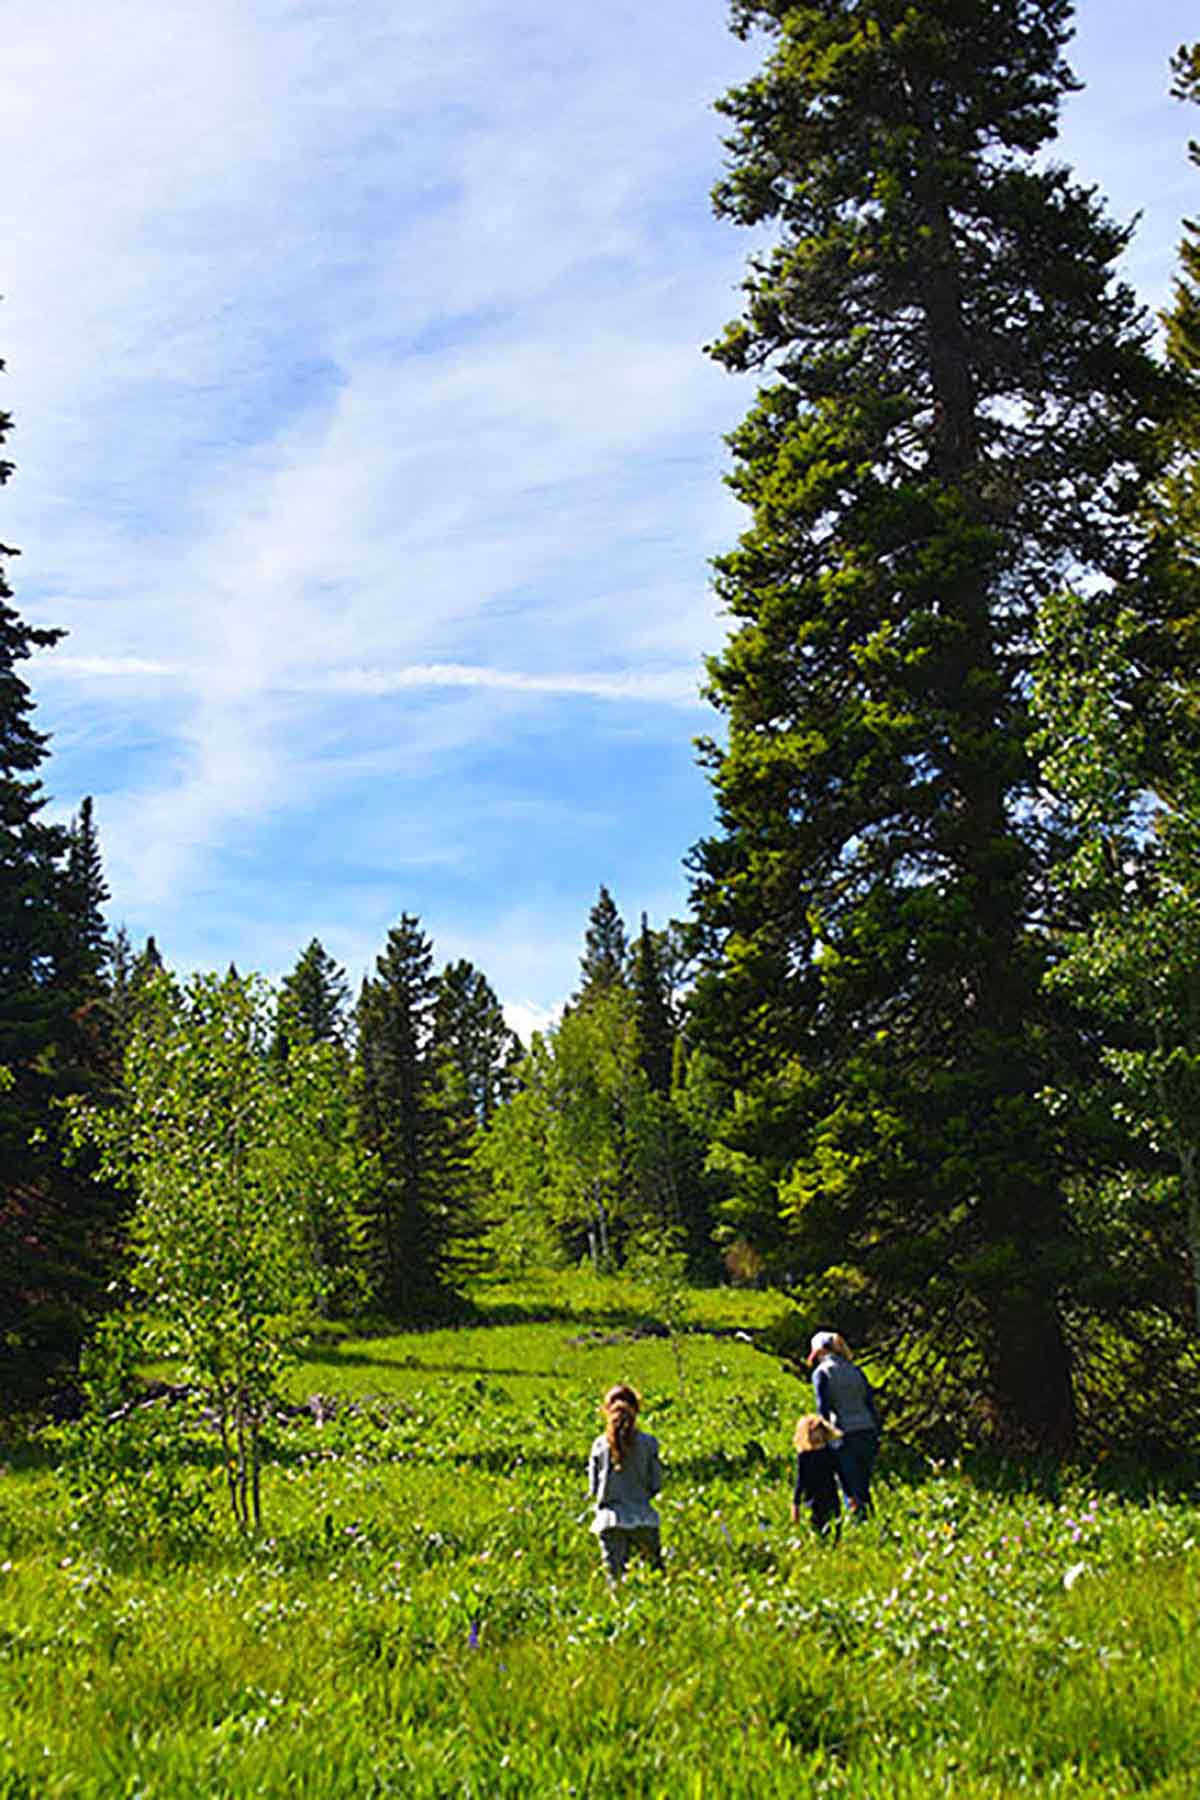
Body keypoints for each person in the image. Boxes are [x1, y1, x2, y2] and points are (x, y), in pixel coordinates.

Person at [587, 1382, 663, 1585]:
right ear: (637, 1409)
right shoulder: (649, 1443)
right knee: (655, 1577)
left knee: (615, 1580)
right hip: (644, 1518)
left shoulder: (599, 1445)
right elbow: (656, 1484)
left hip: (610, 1520)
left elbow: (593, 1488)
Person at [808, 1330, 880, 1520]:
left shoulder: (822, 1373)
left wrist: (822, 1437)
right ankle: (871, 1523)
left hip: (844, 1433)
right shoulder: (856, 1370)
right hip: (867, 1431)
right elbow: (870, 1403)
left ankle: (861, 1524)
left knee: (850, 1487)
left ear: (819, 1352)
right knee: (863, 1485)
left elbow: (823, 1408)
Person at [790, 1413, 841, 1537]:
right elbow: (800, 1482)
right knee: (818, 1531)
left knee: (835, 1530)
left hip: (831, 1498)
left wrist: (850, 1495)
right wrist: (795, 1505)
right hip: (813, 1501)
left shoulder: (830, 1453)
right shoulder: (804, 1457)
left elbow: (840, 1475)